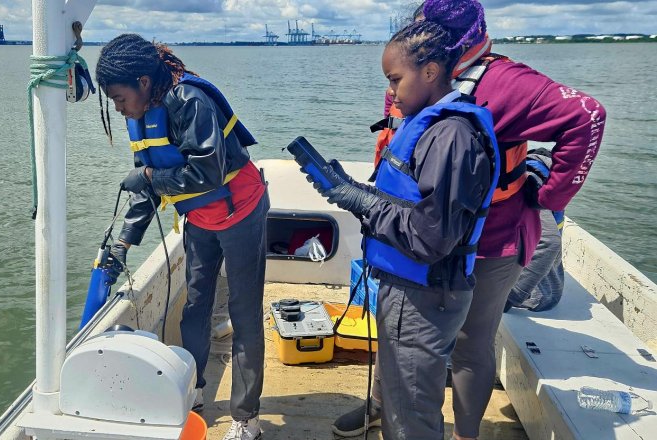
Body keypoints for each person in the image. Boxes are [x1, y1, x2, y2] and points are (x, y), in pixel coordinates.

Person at [332, 0, 606, 438]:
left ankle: (465, 434)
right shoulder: (411, 73)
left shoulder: (508, 83)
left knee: (471, 344)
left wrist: (550, 193)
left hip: (492, 241)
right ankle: (381, 405)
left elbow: (588, 115)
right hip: (416, 233)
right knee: (395, 332)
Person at [310, 0, 500, 436]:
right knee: (399, 399)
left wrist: (361, 202)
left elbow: (431, 236)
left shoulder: (451, 135)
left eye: (395, 79)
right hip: (412, 289)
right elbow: (414, 204)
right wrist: (358, 190)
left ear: (431, 72)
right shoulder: (433, 127)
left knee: (409, 414)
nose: (391, 92)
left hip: (425, 294)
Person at [95, 34, 268, 440]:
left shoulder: (190, 101)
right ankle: (193, 390)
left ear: (142, 81)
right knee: (195, 305)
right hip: (199, 218)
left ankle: (247, 418)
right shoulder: (139, 113)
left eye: (119, 98)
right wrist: (124, 241)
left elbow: (206, 171)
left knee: (244, 314)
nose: (119, 108)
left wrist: (152, 176)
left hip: (240, 210)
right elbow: (148, 185)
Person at [505, 149, 566, 312]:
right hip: (547, 288)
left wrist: (510, 298)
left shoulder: (530, 183)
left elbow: (550, 242)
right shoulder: (550, 183)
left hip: (530, 298)